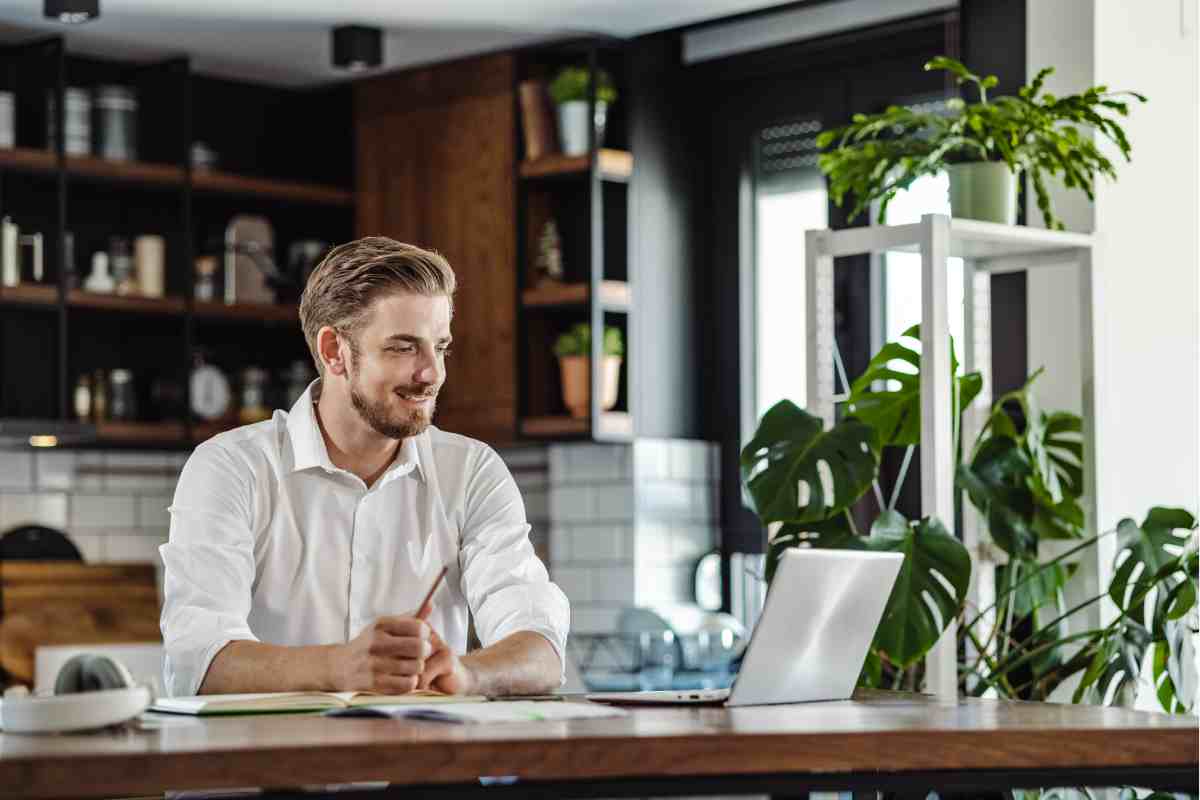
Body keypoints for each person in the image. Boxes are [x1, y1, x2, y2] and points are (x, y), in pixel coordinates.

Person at [159, 236, 568, 697]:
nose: (432, 372)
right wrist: (338, 667)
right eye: (403, 348)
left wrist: (469, 675)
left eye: (441, 347)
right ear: (334, 350)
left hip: (423, 764)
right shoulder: (230, 468)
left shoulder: (472, 471)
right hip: (274, 766)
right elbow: (198, 660)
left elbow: (542, 649)